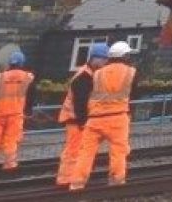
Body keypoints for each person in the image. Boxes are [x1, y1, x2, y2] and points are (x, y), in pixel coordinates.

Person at [67, 40, 137, 191]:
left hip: (95, 119)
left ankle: (77, 183)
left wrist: (83, 119)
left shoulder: (97, 73)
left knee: (85, 153)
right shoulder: (131, 72)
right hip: (118, 118)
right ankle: (116, 182)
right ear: (125, 56)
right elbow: (134, 95)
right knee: (118, 151)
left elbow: (88, 96)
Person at [56, 43, 108, 188]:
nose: (105, 63)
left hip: (80, 119)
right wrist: (83, 122)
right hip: (76, 119)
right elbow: (80, 102)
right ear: (94, 59)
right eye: (103, 59)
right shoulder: (84, 77)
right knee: (74, 150)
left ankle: (72, 178)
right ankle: (66, 180)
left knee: (80, 150)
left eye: (106, 60)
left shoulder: (90, 74)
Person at [0, 51, 35, 172]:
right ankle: (10, 166)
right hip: (16, 115)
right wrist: (28, 110)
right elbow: (31, 97)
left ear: (10, 62)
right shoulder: (28, 78)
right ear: (22, 63)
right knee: (11, 141)